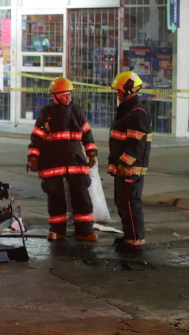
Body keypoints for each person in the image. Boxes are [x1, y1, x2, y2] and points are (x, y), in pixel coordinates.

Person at [27, 77, 98, 241]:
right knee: (55, 197)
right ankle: (57, 231)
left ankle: (85, 231)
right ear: (54, 96)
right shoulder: (46, 114)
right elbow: (36, 138)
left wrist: (91, 153)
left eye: (69, 94)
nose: (69, 97)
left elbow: (87, 135)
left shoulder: (77, 112)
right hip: (52, 163)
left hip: (75, 162)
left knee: (81, 196)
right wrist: (33, 158)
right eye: (65, 95)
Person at [108, 71, 151, 253]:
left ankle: (135, 241)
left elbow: (136, 144)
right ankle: (129, 236)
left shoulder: (137, 112)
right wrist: (115, 164)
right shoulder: (127, 110)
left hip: (131, 169)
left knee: (130, 203)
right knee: (122, 202)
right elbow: (119, 141)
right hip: (123, 168)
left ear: (127, 91)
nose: (117, 95)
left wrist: (125, 164)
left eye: (119, 91)